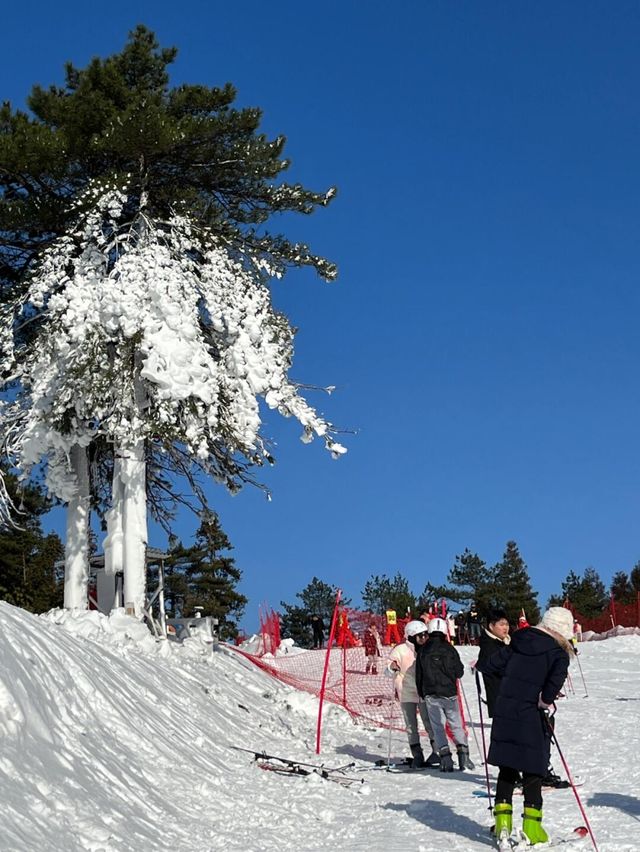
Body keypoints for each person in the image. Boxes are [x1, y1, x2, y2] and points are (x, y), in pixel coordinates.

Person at [475, 606, 574, 847]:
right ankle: (532, 827)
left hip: (505, 709)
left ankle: (502, 826)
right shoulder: (558, 653)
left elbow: (490, 665)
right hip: (531, 713)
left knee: (508, 765)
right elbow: (552, 687)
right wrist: (544, 700)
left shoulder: (518, 638)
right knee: (532, 767)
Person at [415, 616, 474, 772]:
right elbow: (459, 671)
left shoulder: (423, 650)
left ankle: (445, 758)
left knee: (438, 726)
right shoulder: (450, 649)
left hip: (431, 694)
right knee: (455, 724)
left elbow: (419, 674)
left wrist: (421, 692)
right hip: (449, 693)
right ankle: (464, 755)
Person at [386, 620, 439, 768]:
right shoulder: (400, 650)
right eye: (419, 636)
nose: (423, 638)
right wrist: (392, 667)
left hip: (423, 692)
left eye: (425, 635)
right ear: (410, 636)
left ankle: (437, 752)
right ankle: (417, 754)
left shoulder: (428, 648)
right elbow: (387, 671)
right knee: (411, 725)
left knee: (430, 723)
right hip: (406, 692)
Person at [476, 608, 510, 717]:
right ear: (491, 626)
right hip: (499, 697)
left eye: (507, 624)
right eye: (501, 624)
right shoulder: (489, 646)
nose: (505, 628)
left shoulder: (505, 643)